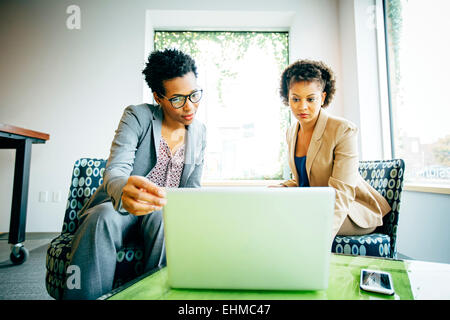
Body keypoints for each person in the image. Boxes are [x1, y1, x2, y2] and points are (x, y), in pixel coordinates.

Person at [63, 49, 206, 299]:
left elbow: (192, 188)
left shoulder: (200, 131)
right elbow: (115, 170)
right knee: (102, 217)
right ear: (158, 97)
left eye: (194, 95)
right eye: (177, 99)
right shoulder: (137, 116)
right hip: (122, 206)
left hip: (163, 210)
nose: (189, 106)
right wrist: (124, 188)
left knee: (166, 218)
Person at [274, 59, 391, 240]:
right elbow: (307, 177)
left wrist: (322, 238)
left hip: (351, 210)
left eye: (311, 99)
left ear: (322, 98)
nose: (302, 106)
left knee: (294, 222)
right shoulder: (291, 133)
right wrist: (280, 189)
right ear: (287, 97)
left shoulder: (343, 130)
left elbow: (342, 192)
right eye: (295, 99)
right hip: (314, 205)